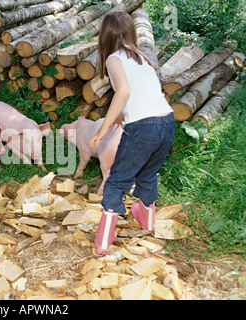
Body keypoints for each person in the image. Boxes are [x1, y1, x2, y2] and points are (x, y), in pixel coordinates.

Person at [89, 12, 176, 254]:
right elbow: (141, 96)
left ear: (105, 36)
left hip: (143, 128)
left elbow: (124, 92)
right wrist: (119, 116)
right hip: (167, 122)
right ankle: (147, 220)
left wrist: (104, 128)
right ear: (130, 33)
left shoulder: (114, 59)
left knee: (117, 180)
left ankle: (103, 242)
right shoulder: (142, 57)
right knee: (148, 173)